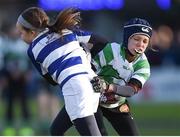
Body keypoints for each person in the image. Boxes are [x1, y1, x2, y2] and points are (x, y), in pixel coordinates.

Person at [50, 18, 153, 136]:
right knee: (56, 130)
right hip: (92, 98)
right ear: (126, 38)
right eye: (136, 39)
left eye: (145, 41)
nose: (141, 44)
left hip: (116, 104)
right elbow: (88, 70)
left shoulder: (143, 65)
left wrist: (108, 87)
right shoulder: (110, 51)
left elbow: (130, 90)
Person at [16, 7, 102, 136]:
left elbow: (52, 81)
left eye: (21, 32)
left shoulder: (32, 50)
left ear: (32, 32)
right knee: (56, 130)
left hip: (75, 88)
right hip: (93, 84)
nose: (20, 36)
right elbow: (100, 41)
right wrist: (89, 61)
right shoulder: (65, 31)